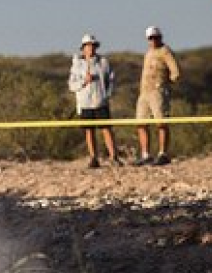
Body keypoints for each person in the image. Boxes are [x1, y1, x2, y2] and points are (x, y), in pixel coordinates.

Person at [67, 33, 122, 168]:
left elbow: (111, 80)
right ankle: (93, 157)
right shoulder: (77, 65)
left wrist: (107, 95)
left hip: (100, 101)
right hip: (85, 103)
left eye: (93, 45)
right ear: (83, 48)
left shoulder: (103, 62)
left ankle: (113, 156)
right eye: (88, 46)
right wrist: (84, 82)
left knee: (106, 129)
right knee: (89, 130)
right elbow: (72, 85)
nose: (91, 48)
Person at [134, 25, 180, 166]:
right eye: (151, 38)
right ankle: (145, 154)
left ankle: (162, 153)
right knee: (141, 123)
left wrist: (164, 85)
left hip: (157, 91)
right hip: (144, 92)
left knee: (161, 122)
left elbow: (175, 72)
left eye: (155, 37)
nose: (153, 40)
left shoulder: (165, 51)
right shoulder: (148, 53)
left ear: (160, 37)